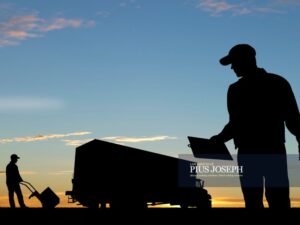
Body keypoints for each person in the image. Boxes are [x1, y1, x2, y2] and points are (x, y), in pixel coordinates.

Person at [210, 44, 300, 208]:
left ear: (246, 60)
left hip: (259, 150)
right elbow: (236, 123)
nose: (232, 67)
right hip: (266, 150)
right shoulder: (276, 82)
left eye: (234, 62)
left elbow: (293, 119)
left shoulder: (239, 89)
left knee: (265, 199)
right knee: (268, 199)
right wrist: (219, 138)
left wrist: (220, 138)